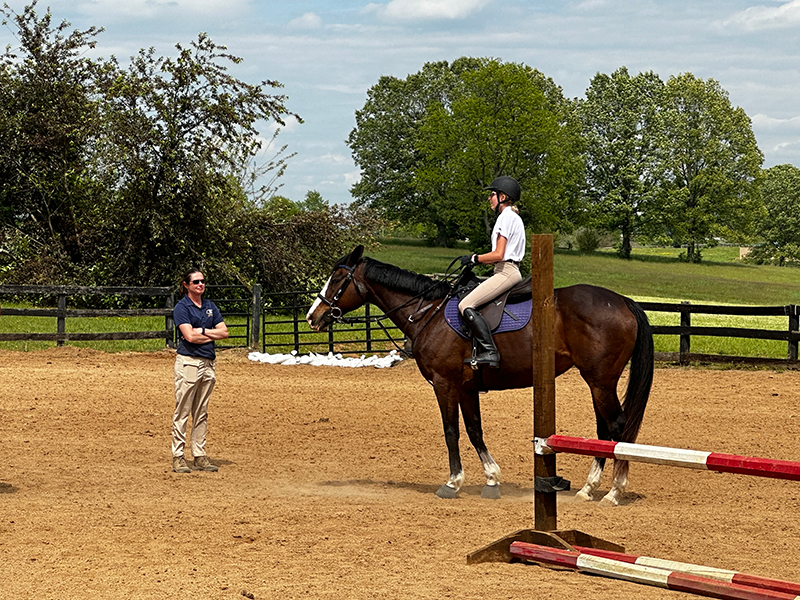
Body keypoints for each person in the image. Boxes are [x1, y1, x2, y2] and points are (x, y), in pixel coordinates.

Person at [458, 176, 526, 368]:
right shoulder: (514, 217)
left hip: (506, 272)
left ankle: (490, 351)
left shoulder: (505, 218)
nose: (490, 198)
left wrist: (474, 258)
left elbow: (499, 254)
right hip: (506, 270)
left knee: (466, 304)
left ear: (503, 197)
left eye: (492, 195)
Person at [171, 269, 229, 473]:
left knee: (201, 411)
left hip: (208, 362)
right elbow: (189, 337)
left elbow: (225, 333)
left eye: (203, 281)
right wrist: (209, 335)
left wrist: (203, 331)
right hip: (189, 363)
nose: (200, 284)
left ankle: (199, 455)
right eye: (196, 281)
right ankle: (178, 456)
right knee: (183, 411)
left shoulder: (210, 306)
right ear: (186, 285)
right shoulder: (182, 307)